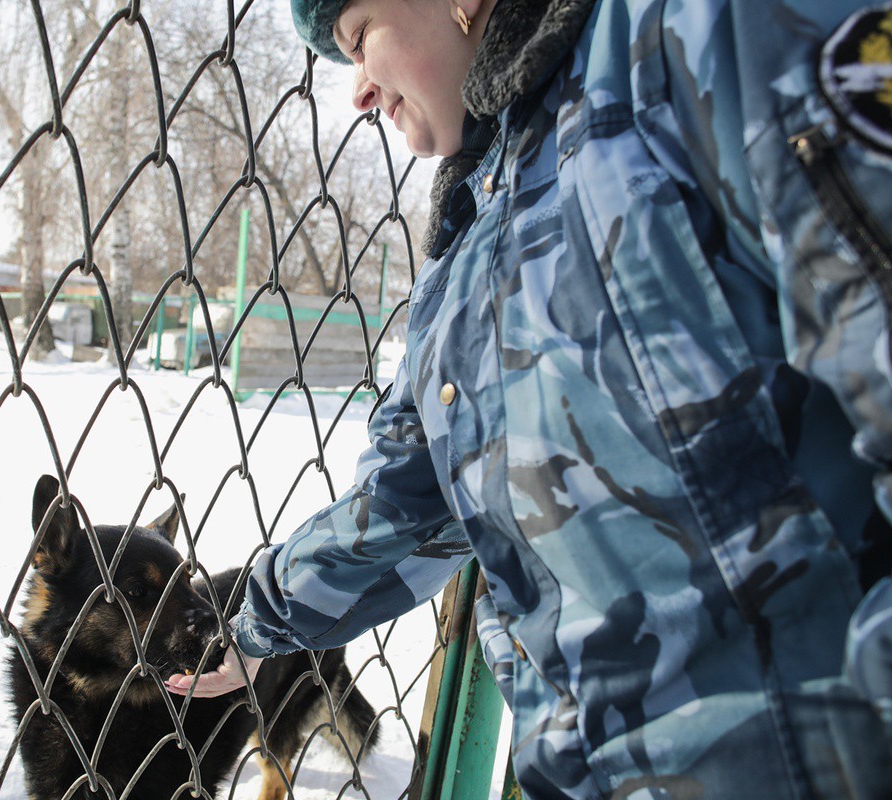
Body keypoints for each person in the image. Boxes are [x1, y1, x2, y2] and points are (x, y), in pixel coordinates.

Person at [167, 0, 892, 796]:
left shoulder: (696, 39)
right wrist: (249, 622)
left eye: (358, 36)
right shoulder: (463, 258)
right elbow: (401, 508)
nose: (360, 93)